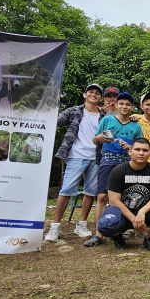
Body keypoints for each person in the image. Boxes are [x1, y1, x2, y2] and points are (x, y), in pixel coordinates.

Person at [45, 84, 105, 242]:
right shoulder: (73, 111)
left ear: (100, 98)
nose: (93, 95)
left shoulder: (104, 116)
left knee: (90, 192)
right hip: (76, 155)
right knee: (66, 190)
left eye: (97, 93)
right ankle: (55, 226)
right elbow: (55, 122)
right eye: (90, 92)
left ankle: (82, 224)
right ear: (84, 94)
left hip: (97, 156)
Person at [86, 92, 143, 247]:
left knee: (125, 198)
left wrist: (130, 147)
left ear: (132, 107)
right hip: (108, 162)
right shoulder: (107, 119)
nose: (124, 107)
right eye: (121, 104)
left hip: (126, 164)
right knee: (102, 197)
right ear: (116, 105)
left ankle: (121, 232)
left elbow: (140, 149)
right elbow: (95, 139)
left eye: (128, 104)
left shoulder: (136, 126)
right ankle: (99, 234)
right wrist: (101, 138)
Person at [97, 138, 150, 251]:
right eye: (137, 149)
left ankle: (149, 239)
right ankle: (118, 239)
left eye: (145, 150)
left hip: (145, 212)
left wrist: (142, 212)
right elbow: (113, 201)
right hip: (123, 212)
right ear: (130, 151)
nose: (141, 153)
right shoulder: (118, 171)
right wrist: (133, 219)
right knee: (108, 222)